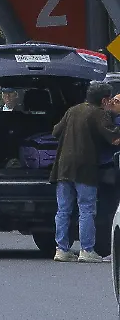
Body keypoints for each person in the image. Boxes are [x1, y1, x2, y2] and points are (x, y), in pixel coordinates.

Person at [50, 81, 120, 263]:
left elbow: (55, 132)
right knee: (86, 208)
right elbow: (114, 139)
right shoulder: (99, 114)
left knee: (63, 209)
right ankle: (86, 250)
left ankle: (61, 249)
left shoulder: (73, 110)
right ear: (104, 100)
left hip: (63, 167)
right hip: (85, 168)